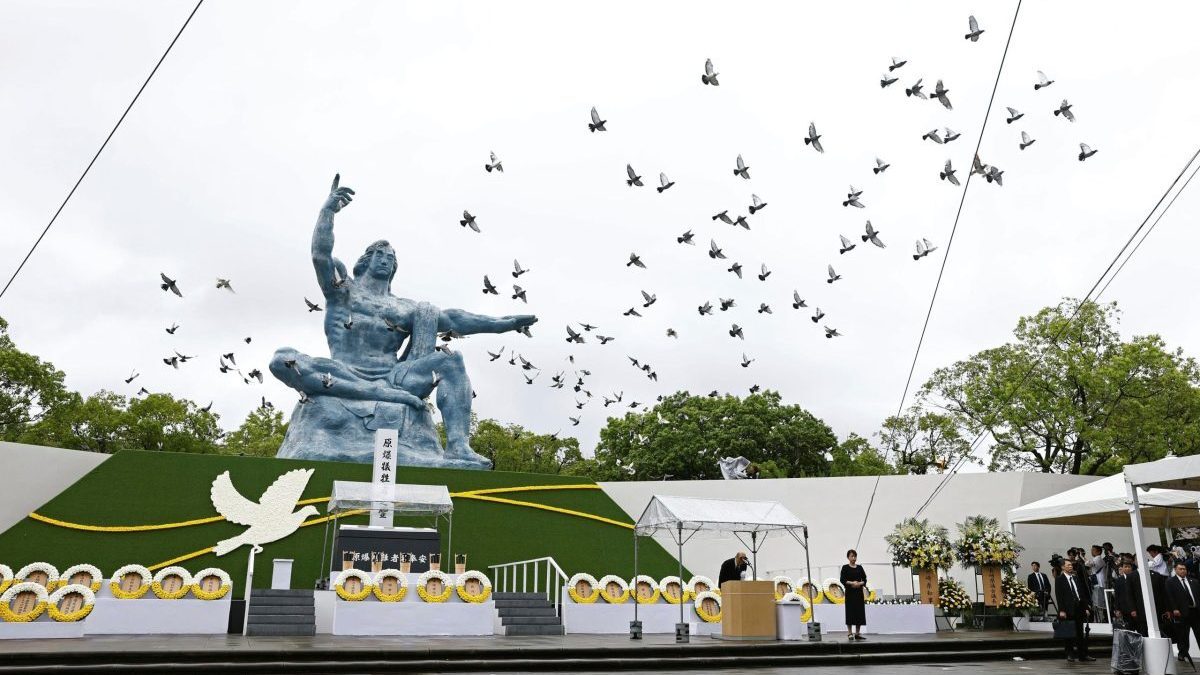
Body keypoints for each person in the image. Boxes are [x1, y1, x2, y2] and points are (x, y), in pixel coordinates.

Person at [1055, 559, 1095, 662]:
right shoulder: (1059, 579)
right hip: (1068, 609)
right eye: (1068, 565)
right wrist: (1062, 610)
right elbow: (1059, 596)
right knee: (1068, 633)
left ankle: (1083, 655)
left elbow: (1081, 594)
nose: (1070, 566)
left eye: (1071, 565)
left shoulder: (1076, 578)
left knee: (1080, 633)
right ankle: (1070, 654)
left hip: (1079, 608)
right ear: (1063, 567)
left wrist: (1086, 607)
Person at [1166, 561, 1200, 662]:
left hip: (1196, 611)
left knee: (1199, 632)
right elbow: (1169, 597)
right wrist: (1174, 609)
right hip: (1181, 612)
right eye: (1180, 569)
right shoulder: (1170, 582)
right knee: (1183, 634)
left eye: (1184, 569)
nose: (1183, 570)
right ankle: (1183, 653)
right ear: (1175, 570)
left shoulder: (1194, 581)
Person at [1112, 560, 1147, 636]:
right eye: (1125, 567)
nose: (1127, 568)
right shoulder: (1119, 580)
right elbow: (1117, 595)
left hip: (1137, 609)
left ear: (1132, 568)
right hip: (1125, 609)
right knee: (1128, 630)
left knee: (1141, 629)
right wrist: (1117, 609)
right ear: (1122, 568)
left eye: (1129, 567)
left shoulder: (1137, 577)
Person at [840, 549, 868, 641]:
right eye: (852, 556)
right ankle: (849, 633)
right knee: (850, 612)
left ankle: (857, 633)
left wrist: (859, 584)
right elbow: (842, 580)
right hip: (850, 593)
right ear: (848, 557)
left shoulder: (860, 568)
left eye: (855, 556)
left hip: (858, 593)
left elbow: (864, 579)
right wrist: (852, 583)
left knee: (859, 612)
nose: (853, 558)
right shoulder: (845, 567)